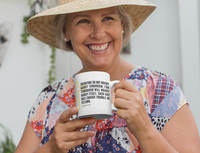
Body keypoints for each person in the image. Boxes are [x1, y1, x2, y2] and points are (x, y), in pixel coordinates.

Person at [15, 0, 200, 153]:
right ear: (65, 31)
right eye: (83, 21)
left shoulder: (158, 90)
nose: (98, 33)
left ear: (122, 24)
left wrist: (145, 131)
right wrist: (51, 148)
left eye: (108, 18)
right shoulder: (49, 100)